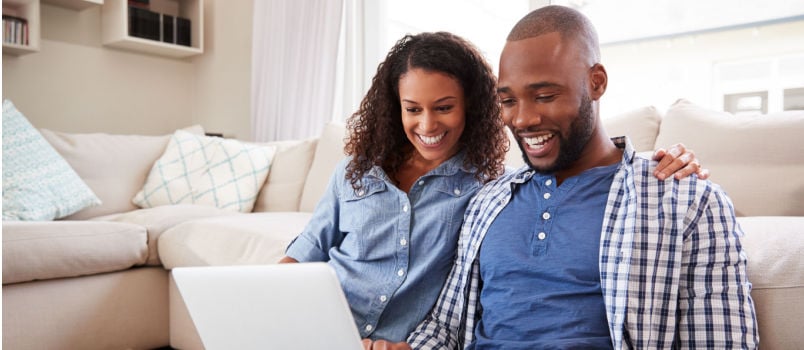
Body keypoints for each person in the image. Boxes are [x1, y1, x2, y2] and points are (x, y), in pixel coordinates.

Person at [279, 31, 707, 346]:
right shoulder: (355, 172)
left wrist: (671, 167)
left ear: (472, 109)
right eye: (413, 110)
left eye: (444, 108)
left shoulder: (486, 189)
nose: (427, 126)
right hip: (321, 333)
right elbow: (306, 249)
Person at [369, 5, 757, 350]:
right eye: (508, 101)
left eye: (544, 96)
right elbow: (445, 327)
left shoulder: (684, 198)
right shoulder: (487, 201)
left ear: (597, 82)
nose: (522, 120)